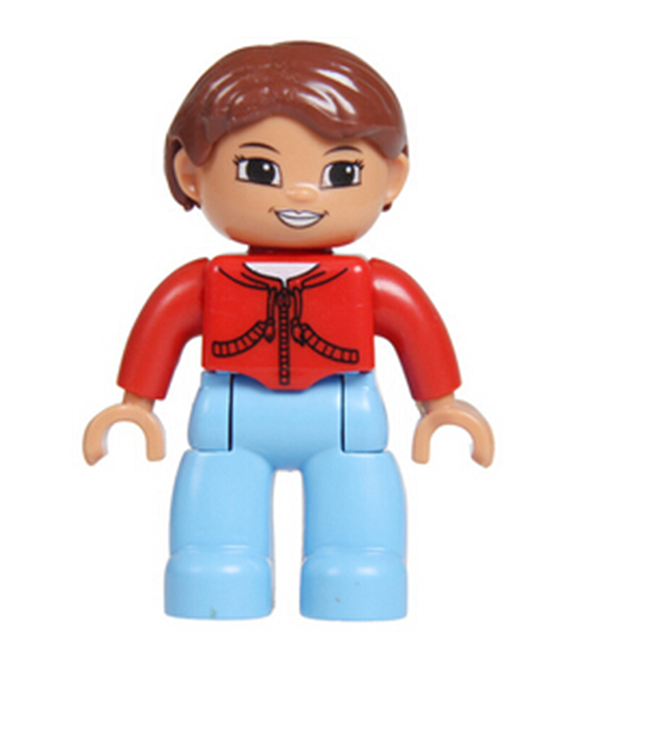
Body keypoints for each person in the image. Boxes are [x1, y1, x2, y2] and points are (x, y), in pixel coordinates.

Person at [83, 42, 493, 620]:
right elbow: (164, 324)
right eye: (259, 170)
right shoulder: (203, 283)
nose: (301, 193)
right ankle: (215, 575)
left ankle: (359, 575)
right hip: (230, 420)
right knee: (214, 533)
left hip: (345, 420)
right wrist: (136, 404)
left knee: (359, 533)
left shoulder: (375, 284)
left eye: (341, 172)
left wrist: (441, 405)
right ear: (191, 175)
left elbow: (414, 329)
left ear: (393, 178)